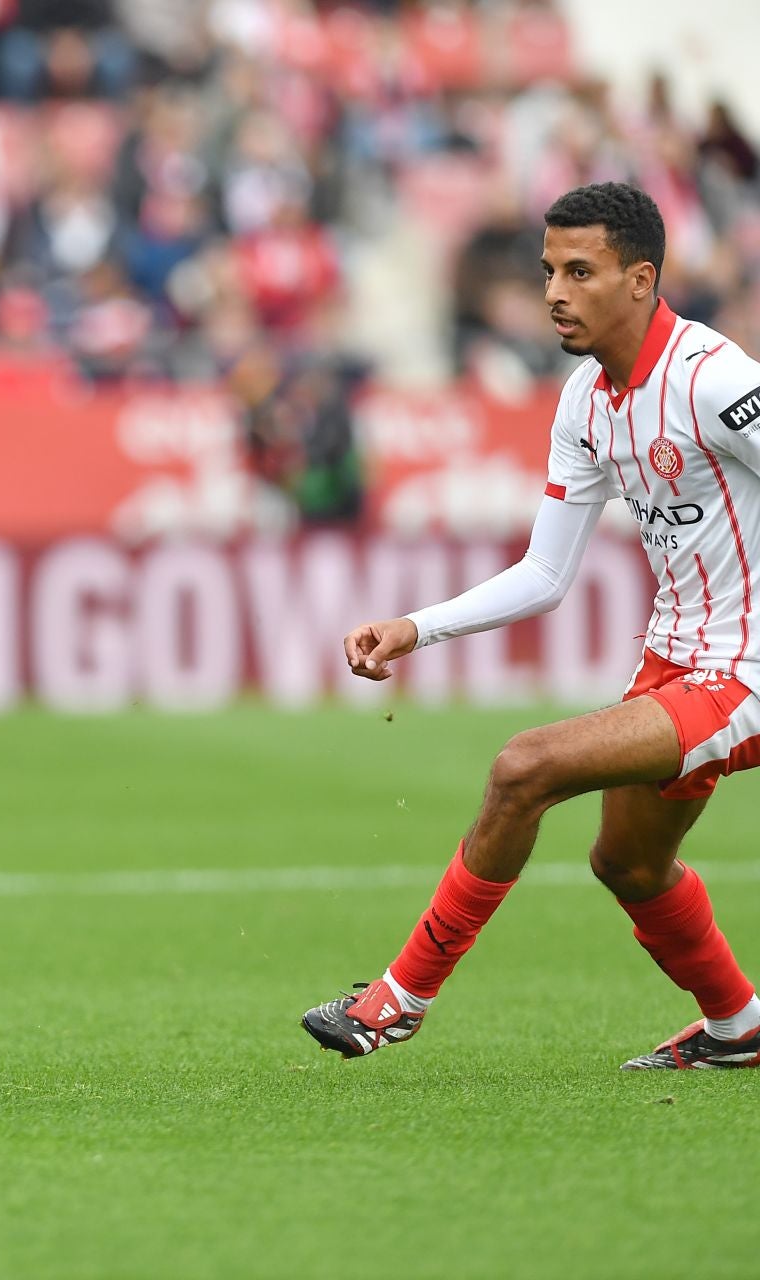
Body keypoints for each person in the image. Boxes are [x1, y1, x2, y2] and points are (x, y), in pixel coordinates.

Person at [302, 182, 760, 1071]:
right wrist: (416, 626)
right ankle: (741, 1028)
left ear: (641, 279)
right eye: (548, 269)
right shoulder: (586, 400)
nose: (554, 290)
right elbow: (547, 574)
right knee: (628, 865)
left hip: (746, 669)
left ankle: (396, 999)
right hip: (675, 662)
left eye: (579, 271)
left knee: (524, 767)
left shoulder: (717, 381)